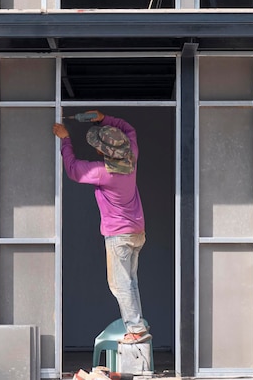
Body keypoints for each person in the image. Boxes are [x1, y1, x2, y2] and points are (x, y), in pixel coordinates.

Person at [53, 110, 151, 345]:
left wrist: (65, 139)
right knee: (130, 281)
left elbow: (74, 169)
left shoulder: (103, 173)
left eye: (98, 146)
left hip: (118, 235)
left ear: (104, 152)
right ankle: (137, 324)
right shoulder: (132, 157)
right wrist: (104, 118)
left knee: (120, 284)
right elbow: (130, 130)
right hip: (136, 231)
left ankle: (136, 329)